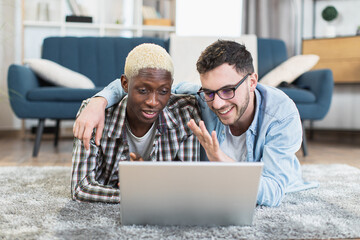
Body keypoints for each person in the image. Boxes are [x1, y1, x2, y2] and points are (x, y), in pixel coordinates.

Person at [73, 40, 318, 207]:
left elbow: (274, 192)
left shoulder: (282, 115)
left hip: (267, 185)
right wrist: (99, 100)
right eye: (210, 92)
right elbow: (149, 82)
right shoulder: (199, 98)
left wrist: (222, 162)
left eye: (228, 90)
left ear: (252, 81)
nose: (218, 103)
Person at [71, 43, 201, 203]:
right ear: (125, 84)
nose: (153, 102)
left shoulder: (186, 112)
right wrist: (133, 194)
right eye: (143, 90)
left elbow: (186, 188)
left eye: (163, 91)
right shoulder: (95, 114)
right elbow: (81, 188)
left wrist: (146, 181)